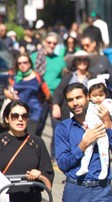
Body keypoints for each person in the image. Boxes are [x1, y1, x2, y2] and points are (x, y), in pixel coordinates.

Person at [0, 100, 54, 202]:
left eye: (24, 116)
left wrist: (39, 174)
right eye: (15, 115)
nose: (20, 119)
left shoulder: (37, 142)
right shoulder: (1, 141)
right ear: (6, 118)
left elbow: (48, 172)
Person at [76, 76, 112, 179]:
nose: (98, 98)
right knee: (87, 150)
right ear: (89, 96)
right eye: (94, 95)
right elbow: (85, 116)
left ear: (105, 94)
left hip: (102, 132)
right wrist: (85, 124)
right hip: (90, 131)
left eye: (101, 95)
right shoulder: (88, 105)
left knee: (103, 151)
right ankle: (84, 166)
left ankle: (104, 170)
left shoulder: (108, 103)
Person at [31, 32, 66, 161]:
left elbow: (64, 79)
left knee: (57, 127)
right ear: (44, 42)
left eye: (54, 43)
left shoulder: (60, 60)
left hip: (55, 98)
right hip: (39, 97)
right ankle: (34, 153)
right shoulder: (34, 57)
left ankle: (55, 156)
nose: (51, 45)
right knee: (37, 126)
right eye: (49, 42)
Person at [3, 53, 51, 135]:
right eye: (20, 63)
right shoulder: (14, 76)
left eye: (25, 62)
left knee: (31, 139)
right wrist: (12, 96)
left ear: (30, 63)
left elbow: (47, 94)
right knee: (17, 138)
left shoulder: (37, 77)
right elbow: (5, 90)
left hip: (34, 113)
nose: (22, 65)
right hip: (17, 113)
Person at [52, 49, 97, 121]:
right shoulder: (68, 76)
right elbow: (58, 92)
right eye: (79, 60)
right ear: (75, 62)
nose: (82, 62)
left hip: (89, 113)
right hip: (68, 112)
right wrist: (55, 105)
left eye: (85, 60)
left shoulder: (93, 77)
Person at [81, 33, 112, 98]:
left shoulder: (103, 60)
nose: (84, 48)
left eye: (87, 45)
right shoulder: (80, 61)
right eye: (82, 46)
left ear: (94, 43)